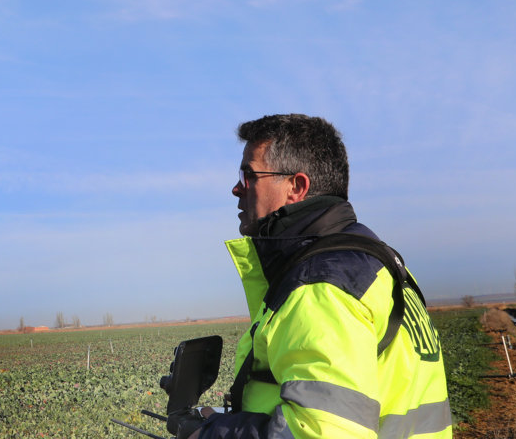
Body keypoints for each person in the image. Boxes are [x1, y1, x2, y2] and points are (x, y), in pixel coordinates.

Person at [189, 114, 451, 439]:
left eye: (248, 175)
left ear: (296, 187)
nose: (236, 188)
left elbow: (325, 433)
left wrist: (213, 433)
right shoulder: (377, 262)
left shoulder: (322, 282)